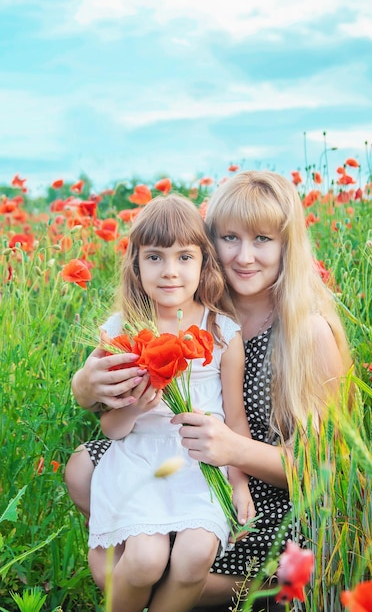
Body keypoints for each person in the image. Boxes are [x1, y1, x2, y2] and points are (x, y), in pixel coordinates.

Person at [65, 171, 352, 612]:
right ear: (208, 245)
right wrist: (84, 386)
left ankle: (248, 590)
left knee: (175, 565)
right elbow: (113, 392)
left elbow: (324, 470)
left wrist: (235, 450)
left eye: (262, 239)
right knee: (83, 467)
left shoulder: (305, 333)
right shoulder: (196, 306)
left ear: (287, 245)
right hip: (178, 459)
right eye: (229, 237)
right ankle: (124, 566)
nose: (244, 256)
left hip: (263, 494)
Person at [68, 194, 255, 612]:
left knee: (193, 558)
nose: (170, 272)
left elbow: (236, 423)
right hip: (139, 462)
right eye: (154, 257)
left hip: (202, 467)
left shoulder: (223, 331)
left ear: (205, 263)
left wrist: (239, 484)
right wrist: (134, 407)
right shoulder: (122, 331)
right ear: (135, 263)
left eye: (184, 257)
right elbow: (111, 428)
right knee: (144, 562)